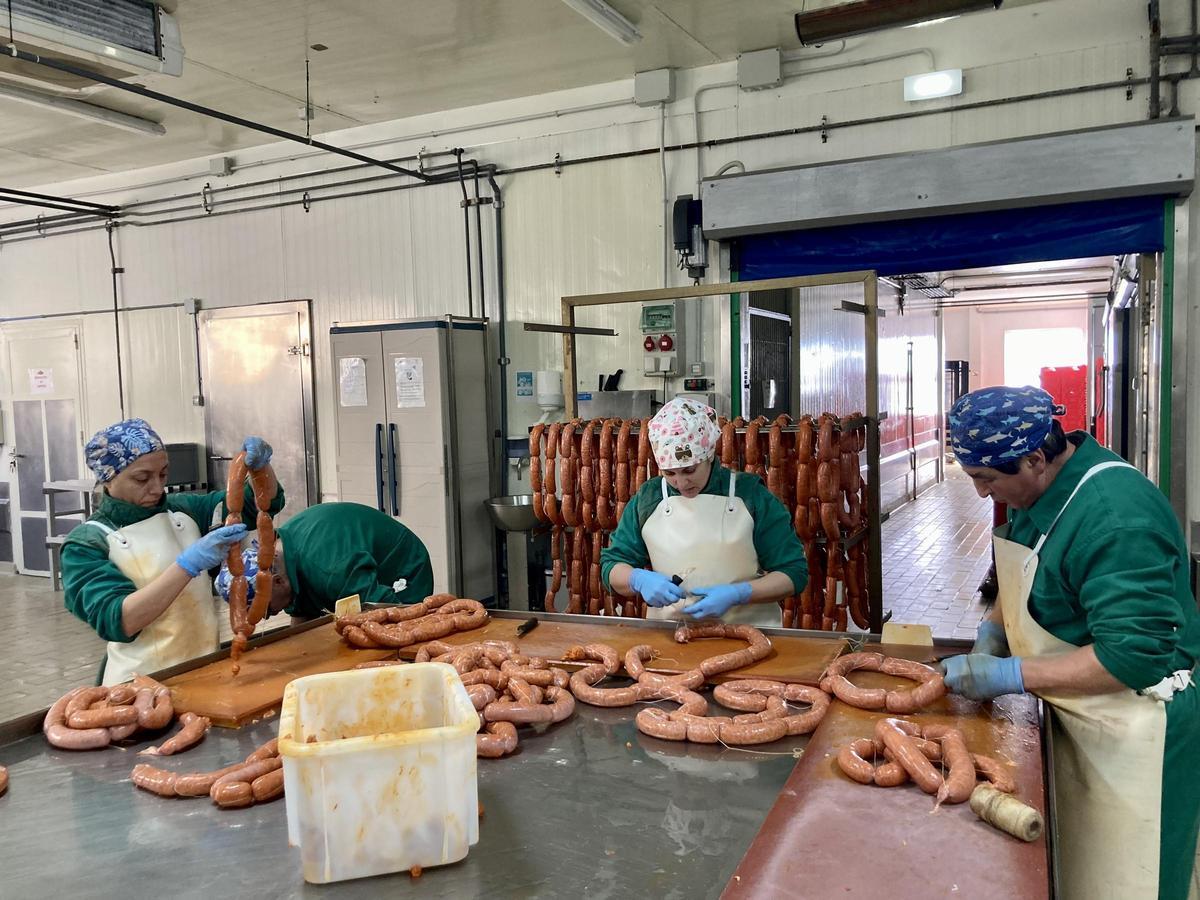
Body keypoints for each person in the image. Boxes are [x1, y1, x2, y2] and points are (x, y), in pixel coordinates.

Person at [943, 385, 1200, 900]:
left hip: (1135, 726)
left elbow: (1131, 656)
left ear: (1035, 457)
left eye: (985, 479)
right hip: (1078, 711)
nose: (979, 492)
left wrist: (1008, 675)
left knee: (1131, 879)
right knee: (1074, 872)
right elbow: (1021, 573)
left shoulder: (1115, 517)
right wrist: (994, 632)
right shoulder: (1037, 490)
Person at [61, 419, 284, 685]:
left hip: (202, 668)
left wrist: (261, 468)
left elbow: (258, 502)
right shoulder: (87, 542)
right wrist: (187, 565)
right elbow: (121, 620)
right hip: (138, 685)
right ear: (108, 478)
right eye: (142, 478)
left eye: (163, 474)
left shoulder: (183, 511)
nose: (157, 488)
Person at [600, 397, 807, 625]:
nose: (681, 482)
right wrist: (636, 579)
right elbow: (612, 566)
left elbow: (793, 573)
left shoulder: (750, 495)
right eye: (670, 473)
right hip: (671, 639)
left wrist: (740, 593)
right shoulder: (649, 498)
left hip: (750, 635)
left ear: (709, 454)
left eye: (689, 470)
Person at [216, 501, 434, 620]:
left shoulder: (331, 571)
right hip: (337, 559)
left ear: (278, 581)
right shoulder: (282, 557)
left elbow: (391, 612)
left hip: (401, 569)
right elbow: (301, 614)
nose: (267, 617)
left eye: (267, 610)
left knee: (396, 628)